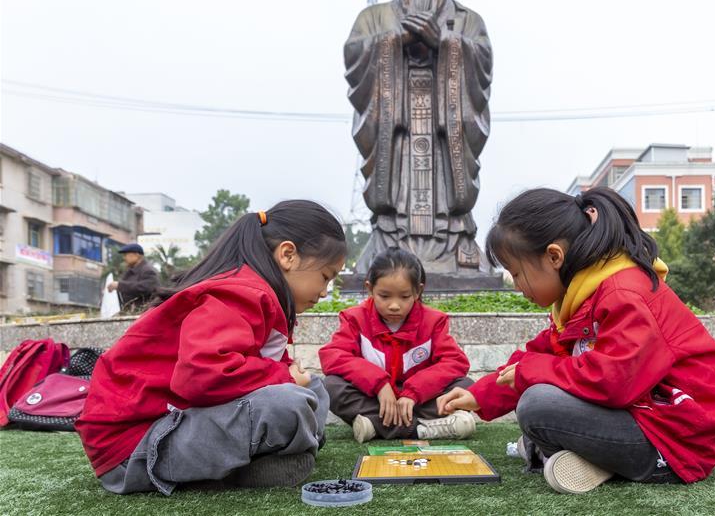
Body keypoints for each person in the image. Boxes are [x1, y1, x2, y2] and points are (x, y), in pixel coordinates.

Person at [436, 187, 715, 494]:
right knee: (540, 408)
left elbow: (616, 381)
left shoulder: (624, 294)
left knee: (537, 406)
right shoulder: (581, 299)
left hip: (676, 441)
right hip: (641, 418)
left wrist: (533, 374)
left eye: (517, 273)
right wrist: (481, 394)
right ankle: (590, 458)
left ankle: (598, 458)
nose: (517, 287)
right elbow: (537, 355)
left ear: (554, 256)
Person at [76, 201, 346, 494]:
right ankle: (250, 466)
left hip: (177, 422)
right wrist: (284, 377)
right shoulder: (239, 293)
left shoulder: (259, 296)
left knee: (314, 389)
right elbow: (199, 374)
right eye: (325, 277)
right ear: (288, 255)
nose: (323, 291)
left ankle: (270, 454)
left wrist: (286, 376)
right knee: (289, 403)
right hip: (134, 447)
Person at [344, 0, 493, 275]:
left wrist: (444, 41)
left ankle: (456, 245)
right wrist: (396, 39)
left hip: (445, 136)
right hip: (397, 138)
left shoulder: (469, 20)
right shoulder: (374, 18)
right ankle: (389, 243)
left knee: (444, 190)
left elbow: (482, 63)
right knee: (399, 195)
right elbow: (355, 58)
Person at [320, 247, 474, 443]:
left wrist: (413, 392)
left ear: (418, 291)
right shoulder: (354, 319)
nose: (394, 305)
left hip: (418, 399)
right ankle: (422, 428)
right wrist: (379, 384)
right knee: (331, 386)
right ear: (370, 289)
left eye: (404, 297)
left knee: (466, 387)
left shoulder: (433, 321)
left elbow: (455, 362)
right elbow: (333, 355)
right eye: (384, 296)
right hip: (376, 399)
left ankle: (376, 426)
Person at [107, 243, 159, 311]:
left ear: (136, 255)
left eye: (126, 255)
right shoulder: (129, 272)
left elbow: (147, 287)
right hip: (129, 311)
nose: (124, 258)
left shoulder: (148, 270)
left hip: (144, 312)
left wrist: (119, 285)